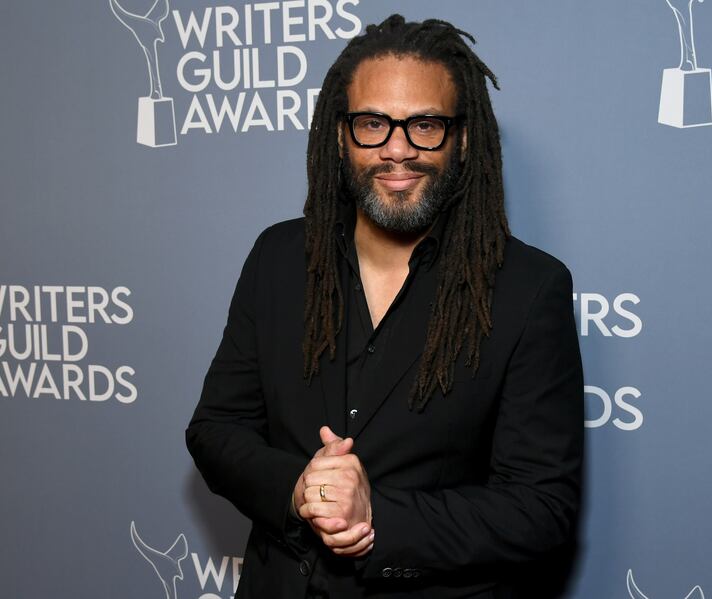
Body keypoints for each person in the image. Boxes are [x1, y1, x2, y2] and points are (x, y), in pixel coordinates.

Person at [186, 14, 584, 599]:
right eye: (373, 124)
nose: (397, 151)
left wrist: (379, 519)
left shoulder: (528, 288)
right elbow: (217, 430)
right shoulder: (278, 257)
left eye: (424, 124)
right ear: (341, 135)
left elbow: (541, 507)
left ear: (463, 137)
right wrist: (299, 487)